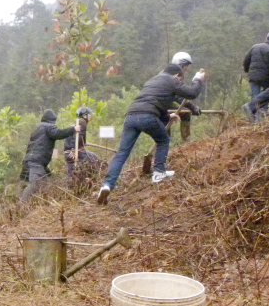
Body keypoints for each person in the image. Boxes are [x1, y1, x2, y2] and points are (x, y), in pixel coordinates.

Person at [96, 64, 206, 204]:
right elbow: (192, 93)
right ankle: (159, 172)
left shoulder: (152, 80)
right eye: (181, 78)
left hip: (130, 116)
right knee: (163, 140)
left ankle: (107, 185)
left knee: (122, 153)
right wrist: (198, 79)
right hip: (147, 116)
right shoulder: (172, 80)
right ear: (177, 75)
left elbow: (154, 101)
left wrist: (168, 117)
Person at [19, 109, 80, 201]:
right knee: (35, 184)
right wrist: (73, 129)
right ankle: (21, 205)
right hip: (37, 161)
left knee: (48, 182)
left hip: (30, 160)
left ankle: (39, 203)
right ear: (52, 120)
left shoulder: (37, 128)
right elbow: (58, 133)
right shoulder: (49, 126)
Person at [242, 33, 269, 118]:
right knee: (265, 96)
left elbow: (246, 61)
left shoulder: (255, 46)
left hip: (254, 77)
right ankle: (262, 115)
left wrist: (247, 70)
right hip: (267, 78)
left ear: (267, 38)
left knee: (255, 96)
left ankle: (253, 116)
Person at [64, 107, 100, 176]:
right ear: (84, 116)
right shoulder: (82, 122)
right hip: (74, 153)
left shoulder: (75, 124)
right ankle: (90, 178)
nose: (90, 117)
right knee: (95, 158)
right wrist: (75, 150)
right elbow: (79, 137)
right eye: (89, 115)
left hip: (67, 154)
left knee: (71, 174)